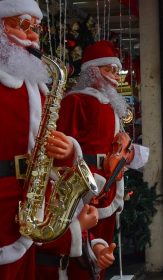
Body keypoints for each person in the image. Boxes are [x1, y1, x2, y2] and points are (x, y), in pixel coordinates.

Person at [0, 1, 102, 279]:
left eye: (36, 28)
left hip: (29, 207)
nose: (33, 36)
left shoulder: (38, 87)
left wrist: (68, 150)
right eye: (23, 25)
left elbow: (45, 149)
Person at [56, 40, 146, 279]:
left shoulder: (110, 105)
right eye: (110, 69)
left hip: (110, 181)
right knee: (82, 246)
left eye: (117, 70)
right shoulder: (75, 101)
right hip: (87, 184)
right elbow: (62, 145)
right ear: (93, 70)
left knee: (103, 246)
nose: (116, 76)